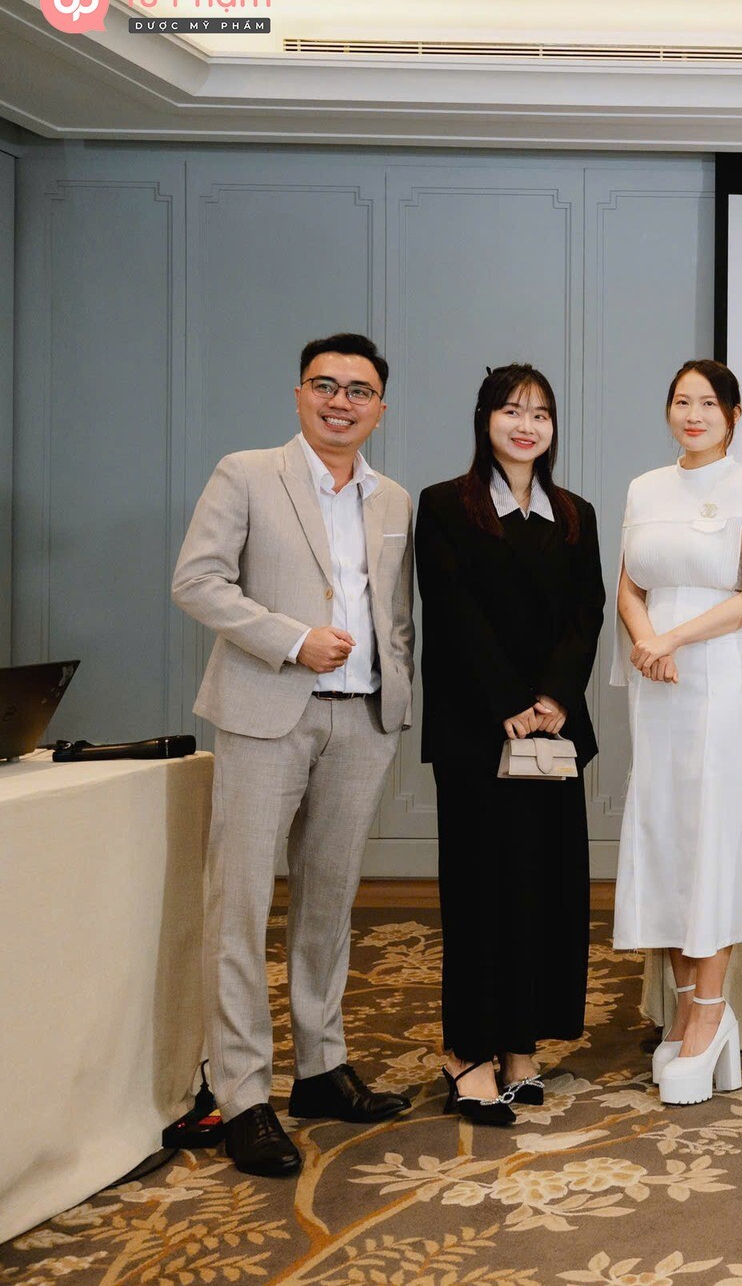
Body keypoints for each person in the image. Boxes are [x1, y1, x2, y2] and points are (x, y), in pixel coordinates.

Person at [170, 332, 414, 1177]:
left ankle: (320, 1066)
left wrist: (395, 689)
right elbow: (197, 581)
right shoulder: (247, 473)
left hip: (362, 720)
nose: (341, 401)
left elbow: (394, 612)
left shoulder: (393, 499)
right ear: (300, 394)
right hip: (266, 711)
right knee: (239, 902)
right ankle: (243, 1094)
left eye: (359, 390)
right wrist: (291, 638)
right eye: (325, 385)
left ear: (381, 408)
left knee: (329, 901)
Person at [415, 364, 604, 1125]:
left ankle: (521, 1047)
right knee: (480, 893)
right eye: (512, 411)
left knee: (544, 891)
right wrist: (507, 705)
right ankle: (467, 1051)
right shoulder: (445, 505)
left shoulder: (575, 513)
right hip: (476, 732)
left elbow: (587, 614)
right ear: (485, 419)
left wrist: (553, 698)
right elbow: (452, 612)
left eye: (541, 414)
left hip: (552, 733)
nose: (527, 426)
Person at [612, 359, 742, 1107]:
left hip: (715, 673)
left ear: (733, 415)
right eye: (681, 401)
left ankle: (711, 1013)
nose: (693, 414)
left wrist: (672, 638)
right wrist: (646, 639)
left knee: (711, 830)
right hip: (655, 678)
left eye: (708, 403)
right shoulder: (644, 487)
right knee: (666, 833)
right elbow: (627, 584)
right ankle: (686, 1007)